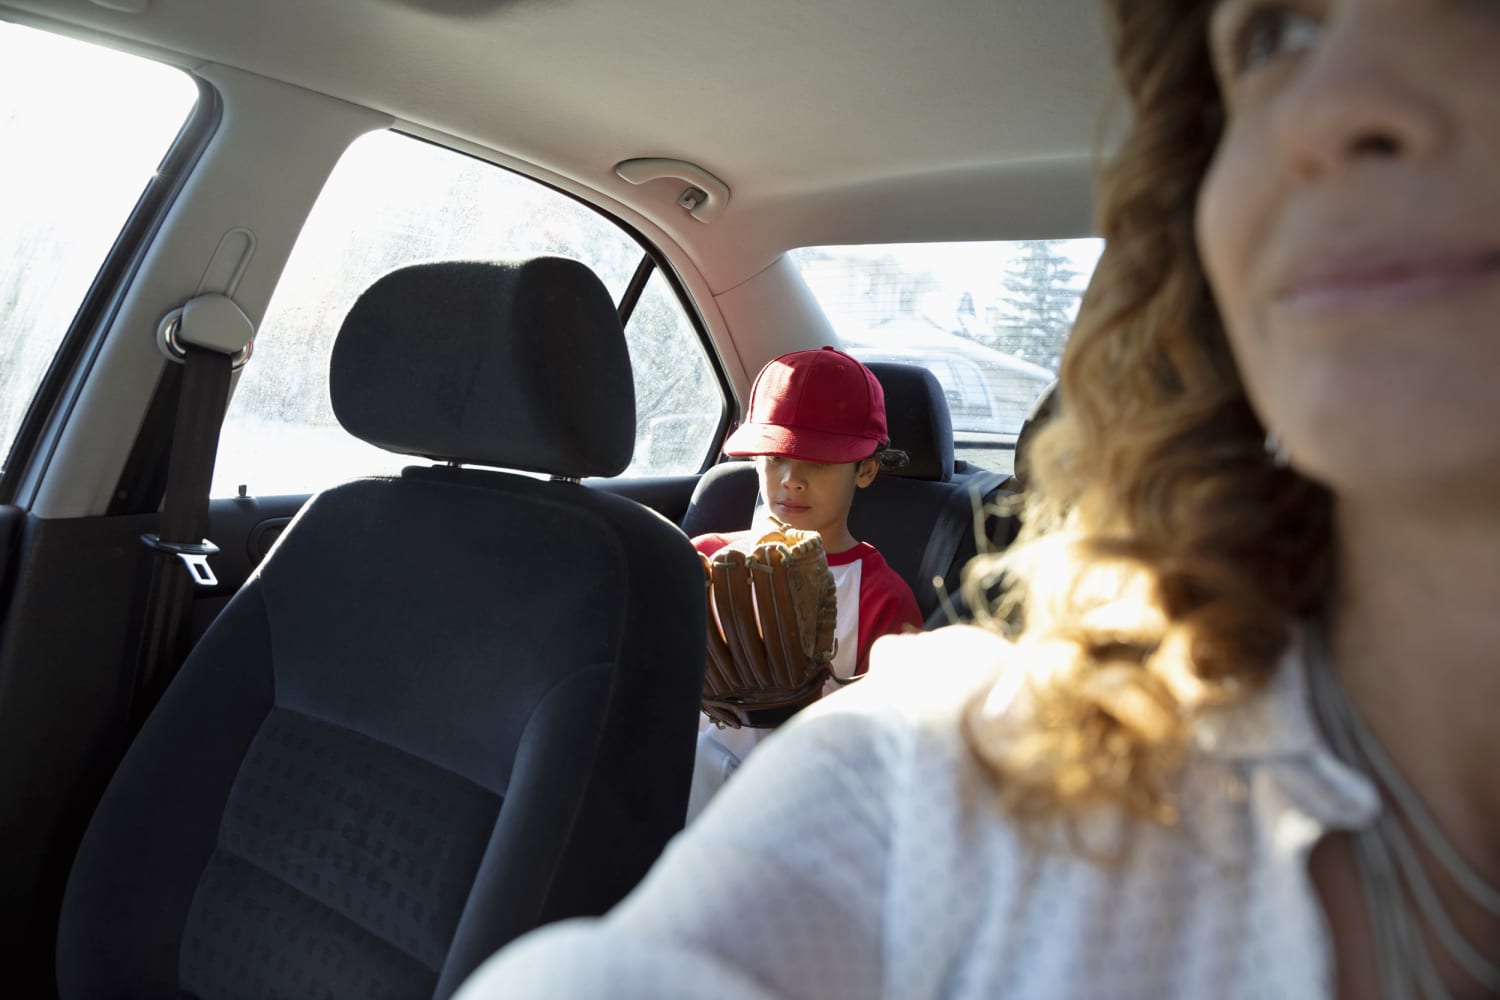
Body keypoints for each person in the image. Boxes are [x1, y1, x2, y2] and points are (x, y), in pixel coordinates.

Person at [457, 0, 1500, 996]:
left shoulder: (894, 619)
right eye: (1273, 35)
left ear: (868, 468)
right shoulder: (954, 759)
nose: (1326, 105)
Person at [687, 346, 922, 818]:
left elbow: (892, 754)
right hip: (679, 792)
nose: (792, 479)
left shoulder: (882, 598)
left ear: (866, 470)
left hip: (795, 815)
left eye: (819, 461)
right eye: (776, 457)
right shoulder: (704, 557)